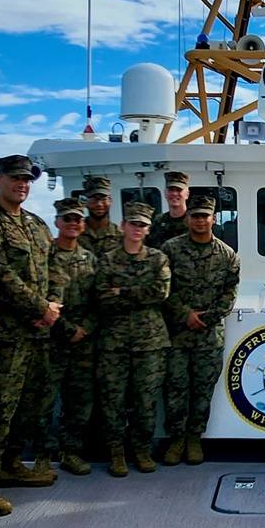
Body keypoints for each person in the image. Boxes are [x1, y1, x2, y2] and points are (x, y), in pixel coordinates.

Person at [0, 155, 61, 515]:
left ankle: (9, 466)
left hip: (38, 334)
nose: (22, 184)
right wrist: (41, 308)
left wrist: (51, 306)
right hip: (7, 336)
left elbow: (54, 268)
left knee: (32, 406)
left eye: (27, 180)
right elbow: (2, 279)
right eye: (15, 178)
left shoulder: (37, 225)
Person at [160, 196, 241, 465]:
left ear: (213, 219)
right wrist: (185, 315)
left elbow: (230, 293)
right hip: (177, 334)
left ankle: (194, 438)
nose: (200, 220)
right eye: (195, 215)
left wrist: (208, 318)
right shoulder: (170, 250)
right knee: (175, 389)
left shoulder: (227, 255)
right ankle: (176, 439)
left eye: (205, 215)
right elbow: (163, 288)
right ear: (187, 219)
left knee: (203, 390)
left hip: (209, 335)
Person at [94, 202, 171, 476]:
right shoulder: (106, 260)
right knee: (113, 401)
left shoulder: (158, 259)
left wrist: (121, 291)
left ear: (148, 229)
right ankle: (116, 452)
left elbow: (160, 293)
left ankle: (140, 449)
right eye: (133, 223)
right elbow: (102, 298)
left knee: (145, 400)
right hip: (114, 344)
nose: (137, 228)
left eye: (143, 224)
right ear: (123, 226)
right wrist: (135, 293)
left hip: (150, 343)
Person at [38, 198, 98, 476]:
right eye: (68, 219)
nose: (73, 224)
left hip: (82, 342)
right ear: (57, 222)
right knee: (43, 400)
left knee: (79, 401)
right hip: (51, 339)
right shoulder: (44, 257)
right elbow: (39, 299)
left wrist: (83, 328)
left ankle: (70, 452)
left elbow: (99, 300)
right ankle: (41, 455)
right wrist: (66, 329)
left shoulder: (89, 259)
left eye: (78, 219)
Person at [78, 175, 122, 255]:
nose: (99, 204)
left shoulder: (121, 236)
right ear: (85, 202)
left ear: (110, 201)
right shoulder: (76, 233)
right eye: (93, 199)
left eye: (103, 199)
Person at [147, 171, 190, 249]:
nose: (174, 193)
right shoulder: (158, 222)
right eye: (171, 189)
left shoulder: (193, 222)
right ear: (165, 193)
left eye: (178, 190)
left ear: (187, 194)